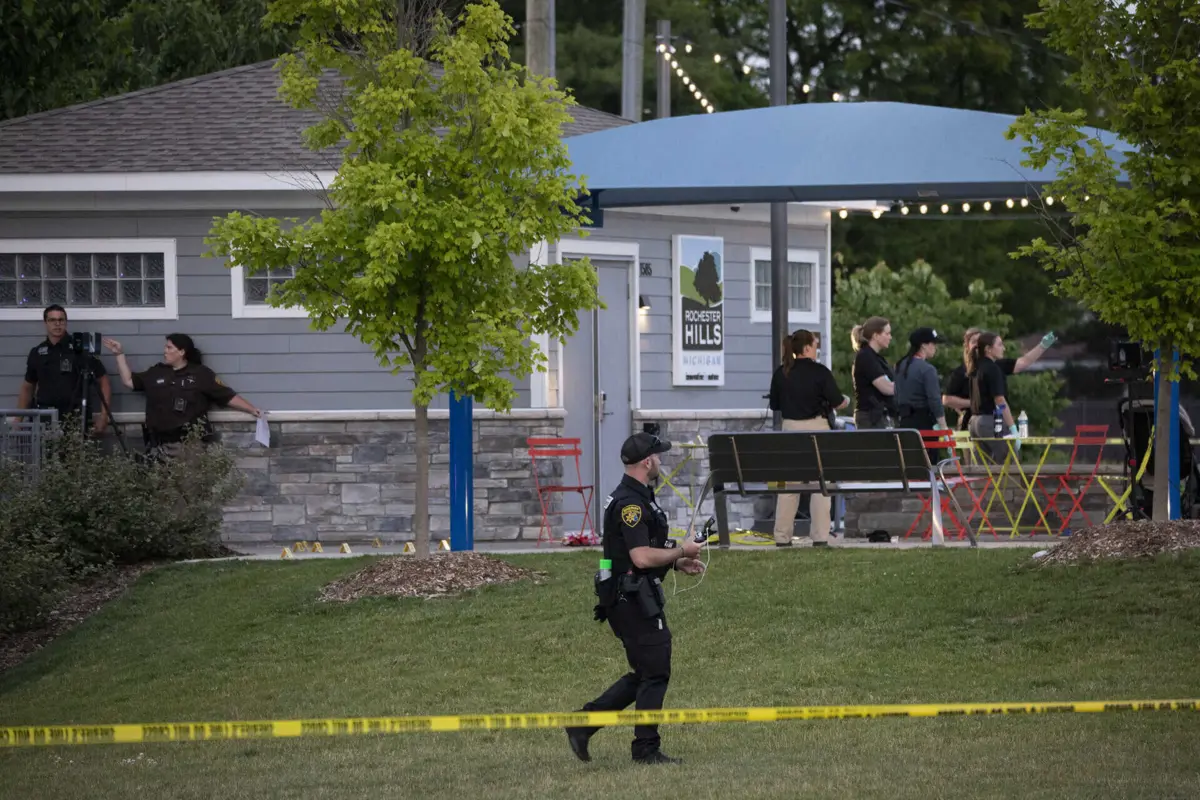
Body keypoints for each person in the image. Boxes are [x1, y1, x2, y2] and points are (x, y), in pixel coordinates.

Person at [567, 432, 704, 766]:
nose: (660, 461)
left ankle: (584, 724)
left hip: (635, 595)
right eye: (658, 456)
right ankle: (644, 748)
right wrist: (681, 550)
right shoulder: (631, 504)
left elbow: (642, 552)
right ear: (647, 461)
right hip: (631, 599)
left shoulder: (639, 496)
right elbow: (640, 557)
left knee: (648, 670)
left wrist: (676, 563)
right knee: (655, 670)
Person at [102, 333, 262, 456]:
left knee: (188, 488)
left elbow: (226, 395)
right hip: (158, 445)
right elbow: (129, 381)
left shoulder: (200, 374)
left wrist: (252, 409)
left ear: (181, 352)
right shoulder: (157, 372)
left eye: (169, 348)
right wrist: (119, 354)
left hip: (188, 445)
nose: (165, 351)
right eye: (165, 347)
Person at [768, 329, 849, 547]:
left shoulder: (781, 373)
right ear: (806, 348)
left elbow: (774, 405)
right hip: (817, 429)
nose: (816, 350)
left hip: (790, 430)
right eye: (814, 346)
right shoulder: (820, 372)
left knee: (790, 485)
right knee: (821, 483)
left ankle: (782, 537)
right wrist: (846, 401)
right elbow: (837, 401)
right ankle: (820, 536)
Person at [15, 304, 111, 436]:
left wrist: (104, 416)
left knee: (75, 450)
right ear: (45, 323)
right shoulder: (37, 352)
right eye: (52, 320)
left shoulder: (80, 350)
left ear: (66, 322)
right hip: (45, 417)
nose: (57, 324)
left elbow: (104, 381)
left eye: (61, 320)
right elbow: (28, 387)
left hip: (75, 417)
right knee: (46, 450)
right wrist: (18, 420)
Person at [943, 327, 1056, 431]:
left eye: (980, 341)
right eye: (974, 342)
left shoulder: (995, 365)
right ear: (967, 346)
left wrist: (1042, 346)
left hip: (988, 421)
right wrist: (975, 402)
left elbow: (1023, 362)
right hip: (974, 422)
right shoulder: (963, 371)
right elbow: (947, 399)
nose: (977, 345)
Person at [965, 331, 1018, 462]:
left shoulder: (976, 367)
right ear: (988, 349)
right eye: (999, 345)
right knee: (1009, 460)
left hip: (975, 421)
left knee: (982, 466)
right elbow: (999, 399)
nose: (1003, 348)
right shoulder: (992, 368)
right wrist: (1012, 427)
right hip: (991, 421)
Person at [894, 327, 949, 431]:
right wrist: (943, 426)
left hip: (904, 421)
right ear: (923, 345)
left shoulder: (900, 366)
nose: (935, 347)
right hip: (924, 422)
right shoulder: (927, 369)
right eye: (933, 344)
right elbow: (934, 400)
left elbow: (896, 394)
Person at [851, 316, 895, 429]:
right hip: (870, 417)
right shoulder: (865, 357)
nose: (890, 337)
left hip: (877, 415)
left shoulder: (876, 358)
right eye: (887, 333)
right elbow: (886, 388)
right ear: (875, 336)